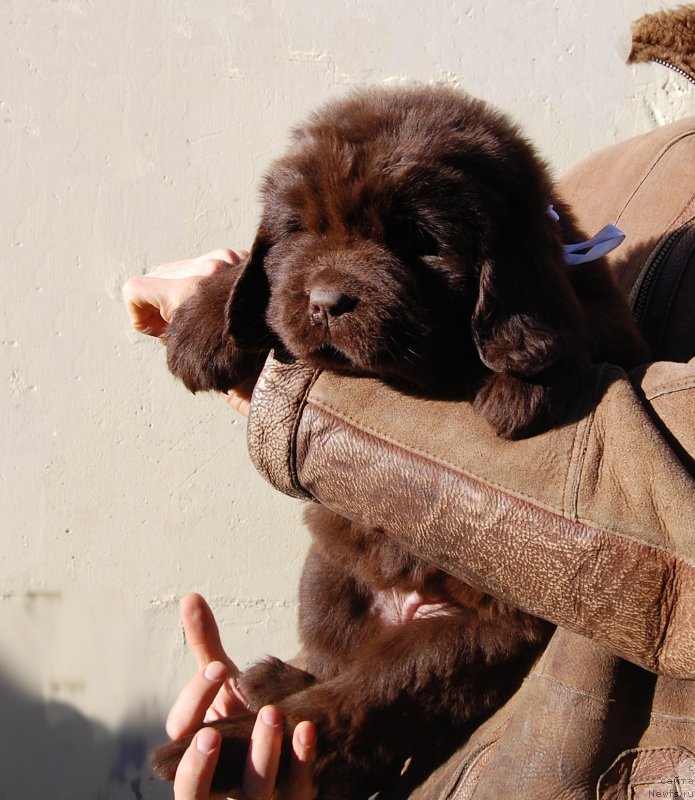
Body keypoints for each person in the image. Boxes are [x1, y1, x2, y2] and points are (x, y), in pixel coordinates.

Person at [123, 116, 695, 798]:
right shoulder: (627, 166)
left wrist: (295, 395)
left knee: (457, 641)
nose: (330, 289)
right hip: (430, 712)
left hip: (538, 706)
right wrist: (292, 734)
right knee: (332, 595)